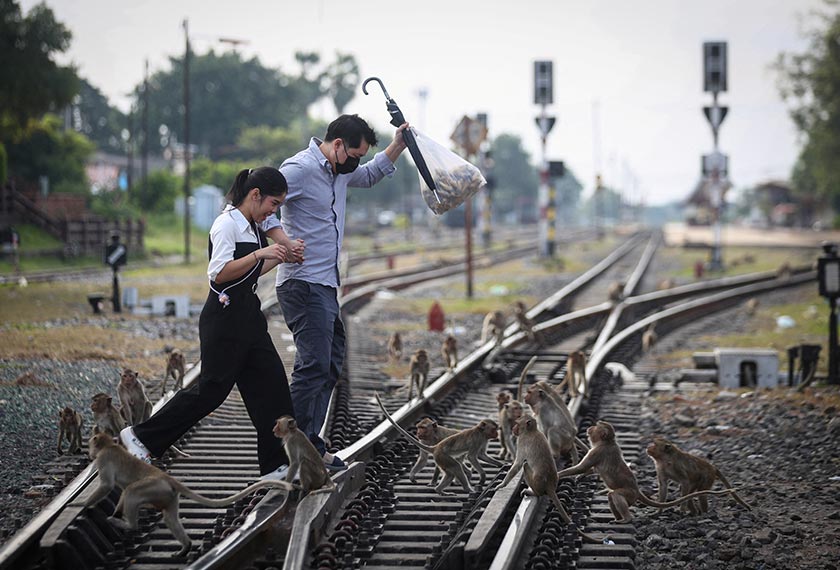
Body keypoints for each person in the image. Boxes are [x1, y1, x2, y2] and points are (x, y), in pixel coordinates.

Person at [121, 167, 296, 481]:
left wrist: (281, 256)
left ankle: (276, 466)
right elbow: (219, 274)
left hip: (249, 317)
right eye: (273, 203)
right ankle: (142, 437)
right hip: (224, 320)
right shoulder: (225, 225)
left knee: (272, 387)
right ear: (255, 195)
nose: (274, 211)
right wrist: (260, 254)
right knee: (211, 392)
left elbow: (249, 273)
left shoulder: (251, 224)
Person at [263, 114, 408, 471]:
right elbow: (263, 209)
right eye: (354, 155)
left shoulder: (339, 171)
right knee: (312, 366)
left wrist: (399, 144)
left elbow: (372, 174)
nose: (356, 163)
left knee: (328, 365)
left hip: (326, 284)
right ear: (337, 144)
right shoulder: (297, 169)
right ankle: (284, 454)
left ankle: (309, 444)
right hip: (302, 283)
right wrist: (283, 241)